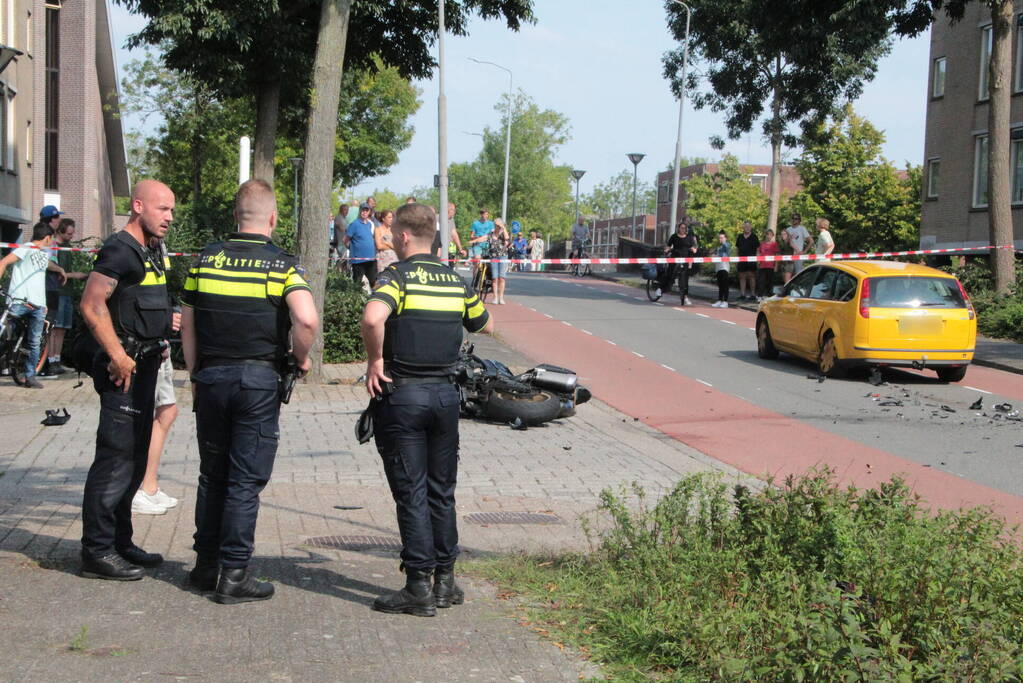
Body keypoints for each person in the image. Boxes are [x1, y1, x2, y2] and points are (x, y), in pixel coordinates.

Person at [180, 179, 319, 603]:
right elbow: (307, 320)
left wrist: (194, 373)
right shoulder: (281, 267)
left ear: (235, 216)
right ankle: (235, 575)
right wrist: (301, 356)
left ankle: (205, 567)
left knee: (212, 475)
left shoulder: (205, 260)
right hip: (256, 382)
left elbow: (187, 323)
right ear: (273, 218)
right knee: (244, 481)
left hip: (211, 379)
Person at [361, 202, 492, 617]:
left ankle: (418, 584)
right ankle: (446, 582)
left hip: (404, 396)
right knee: (442, 489)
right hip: (445, 399)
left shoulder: (396, 277)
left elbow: (372, 317)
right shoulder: (453, 281)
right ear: (434, 233)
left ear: (401, 236)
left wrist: (375, 362)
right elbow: (484, 323)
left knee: (411, 490)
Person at [78, 180, 175, 581]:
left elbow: (138, 303)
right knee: (115, 459)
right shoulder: (119, 249)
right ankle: (96, 551)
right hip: (125, 370)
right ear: (138, 206)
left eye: (171, 210)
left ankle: (120, 542)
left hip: (147, 365)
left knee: (134, 459)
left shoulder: (150, 251)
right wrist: (118, 356)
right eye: (161, 209)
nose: (168, 217)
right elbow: (91, 303)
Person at [0, 222, 66, 388]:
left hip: (38, 305)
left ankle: (30, 376)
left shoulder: (42, 254)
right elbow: (5, 262)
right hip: (20, 301)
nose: (52, 242)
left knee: (35, 341)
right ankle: (12, 364)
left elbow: (46, 264)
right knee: (5, 335)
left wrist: (59, 269)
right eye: (51, 239)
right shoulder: (26, 248)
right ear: (47, 237)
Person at [43, 218, 88, 375]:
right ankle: (49, 361)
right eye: (69, 233)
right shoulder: (54, 246)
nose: (72, 235)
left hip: (67, 292)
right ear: (60, 231)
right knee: (54, 328)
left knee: (62, 328)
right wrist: (74, 275)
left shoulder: (67, 247)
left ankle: (57, 359)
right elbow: (51, 270)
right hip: (57, 291)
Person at [656, 220, 698, 305]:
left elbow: (694, 246)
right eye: (681, 228)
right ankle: (660, 289)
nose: (683, 229)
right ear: (678, 229)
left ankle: (685, 297)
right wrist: (667, 249)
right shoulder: (674, 237)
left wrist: (694, 249)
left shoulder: (689, 237)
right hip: (675, 258)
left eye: (684, 228)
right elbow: (668, 246)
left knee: (685, 279)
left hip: (685, 259)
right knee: (669, 274)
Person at [345, 202, 377, 288]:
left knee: (374, 281)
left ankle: (374, 298)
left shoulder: (370, 224)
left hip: (371, 258)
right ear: (360, 211)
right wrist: (351, 248)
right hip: (358, 260)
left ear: (369, 212)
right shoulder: (354, 224)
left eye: (366, 210)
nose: (364, 212)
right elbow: (346, 240)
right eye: (363, 210)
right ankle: (356, 300)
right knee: (357, 282)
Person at [735, 222, 759, 301]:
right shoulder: (740, 237)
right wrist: (736, 259)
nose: (747, 228)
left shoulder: (754, 237)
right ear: (743, 228)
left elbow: (758, 249)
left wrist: (757, 259)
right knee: (742, 277)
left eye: (748, 226)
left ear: (751, 227)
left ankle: (752, 295)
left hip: (751, 260)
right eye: (745, 226)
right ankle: (742, 294)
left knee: (751, 276)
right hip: (741, 259)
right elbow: (737, 249)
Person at [489, 218, 511, 304]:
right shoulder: (491, 233)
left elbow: (507, 238)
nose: (496, 226)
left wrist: (502, 227)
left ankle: (501, 297)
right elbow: (484, 238)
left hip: (503, 256)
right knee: (495, 278)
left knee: (502, 277)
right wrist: (474, 240)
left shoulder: (503, 233)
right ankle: (495, 297)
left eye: (498, 225)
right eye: (495, 225)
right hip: (493, 256)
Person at [756, 228, 780, 301]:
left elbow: (777, 255)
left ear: (772, 236)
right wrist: (758, 261)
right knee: (761, 281)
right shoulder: (761, 244)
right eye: (767, 234)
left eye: (770, 235)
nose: (768, 236)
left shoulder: (774, 244)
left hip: (771, 266)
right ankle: (760, 296)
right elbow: (758, 252)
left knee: (770, 281)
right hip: (762, 266)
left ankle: (769, 295)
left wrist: (776, 266)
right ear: (765, 235)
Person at [712, 231, 732, 308]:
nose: (720, 239)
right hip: (718, 267)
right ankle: (720, 300)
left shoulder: (727, 245)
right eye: (720, 238)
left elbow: (726, 248)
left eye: (722, 237)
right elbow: (717, 255)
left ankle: (725, 301)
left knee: (725, 284)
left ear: (725, 238)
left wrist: (724, 242)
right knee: (720, 284)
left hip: (724, 267)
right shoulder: (718, 247)